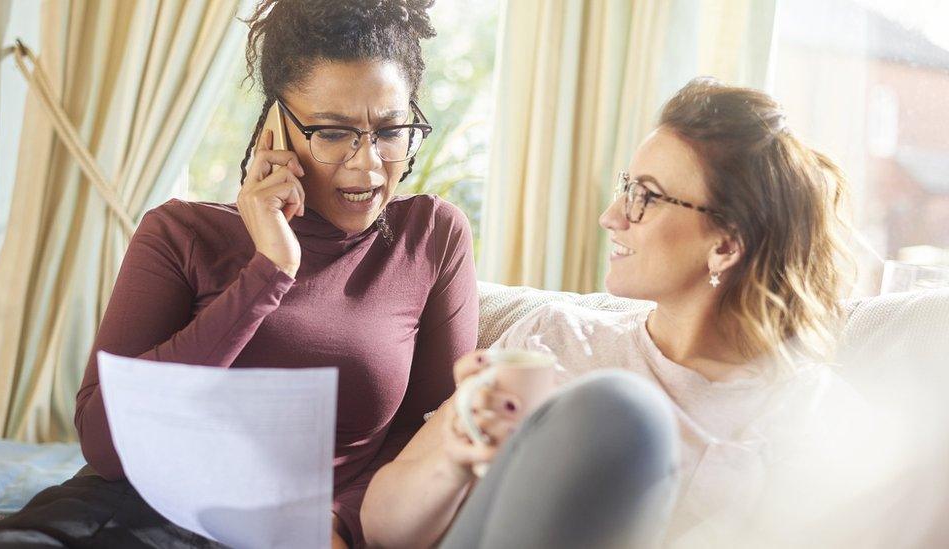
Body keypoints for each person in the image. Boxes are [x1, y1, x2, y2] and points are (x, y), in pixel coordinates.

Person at [0, 1, 476, 548]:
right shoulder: (178, 233)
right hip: (121, 516)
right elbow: (103, 443)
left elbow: (431, 431)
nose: (369, 164)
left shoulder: (430, 236)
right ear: (279, 125)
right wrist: (270, 271)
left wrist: (341, 520)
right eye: (333, 133)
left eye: (390, 129)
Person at [361, 77, 863, 548]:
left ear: (726, 247)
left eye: (645, 197)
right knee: (616, 408)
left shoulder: (818, 417)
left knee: (619, 412)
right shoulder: (553, 340)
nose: (612, 216)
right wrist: (457, 450)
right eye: (627, 187)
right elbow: (382, 528)